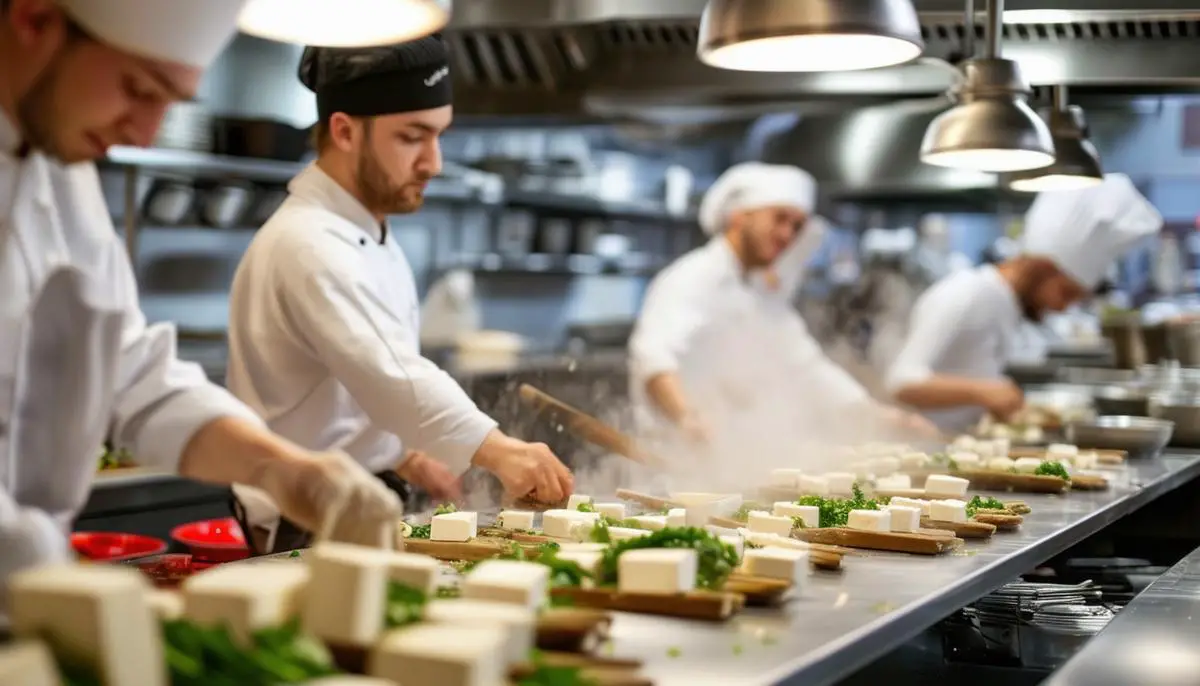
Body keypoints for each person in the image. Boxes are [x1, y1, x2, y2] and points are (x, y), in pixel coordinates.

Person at [0, 0, 406, 605]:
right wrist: (24, 553)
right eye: (137, 88)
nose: (142, 133)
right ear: (34, 20)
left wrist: (280, 467)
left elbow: (132, 373)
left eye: (171, 102)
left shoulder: (64, 175)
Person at [225, 36, 573, 553]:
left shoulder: (365, 231)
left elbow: (350, 385)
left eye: (438, 136)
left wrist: (406, 454)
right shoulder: (310, 242)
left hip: (349, 494)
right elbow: (391, 374)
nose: (433, 162)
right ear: (344, 131)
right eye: (412, 137)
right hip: (303, 512)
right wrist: (499, 449)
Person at [628, 162, 934, 476]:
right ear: (740, 216)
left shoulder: (763, 294)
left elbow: (806, 368)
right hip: (674, 460)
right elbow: (653, 354)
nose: (788, 234)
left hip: (729, 463)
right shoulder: (691, 278)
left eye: (797, 225)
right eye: (780, 219)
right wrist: (687, 416)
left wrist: (879, 416)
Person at [885, 174, 1162, 433]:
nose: (1063, 308)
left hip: (960, 446)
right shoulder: (967, 293)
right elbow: (900, 380)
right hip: (922, 451)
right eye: (1065, 293)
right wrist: (986, 391)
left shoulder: (1005, 303)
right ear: (1041, 267)